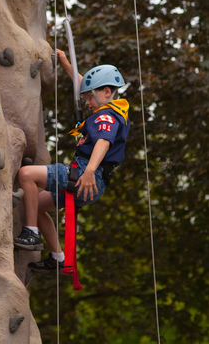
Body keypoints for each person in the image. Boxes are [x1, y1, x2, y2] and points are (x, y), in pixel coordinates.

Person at [13, 50, 130, 273]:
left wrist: (89, 172)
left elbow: (103, 142)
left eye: (88, 98)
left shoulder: (106, 116)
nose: (86, 102)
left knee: (26, 174)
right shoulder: (114, 109)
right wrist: (67, 64)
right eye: (84, 97)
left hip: (87, 175)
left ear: (106, 92)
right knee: (37, 207)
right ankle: (58, 257)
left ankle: (31, 233)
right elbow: (83, 84)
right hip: (91, 179)